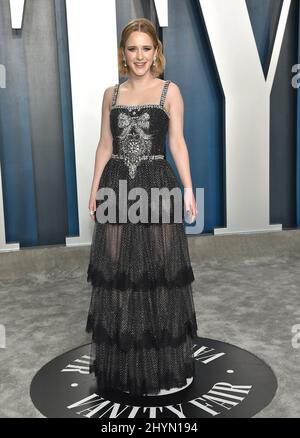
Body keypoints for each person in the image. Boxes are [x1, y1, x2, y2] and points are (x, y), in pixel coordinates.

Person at [85, 18, 198, 397]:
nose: (139, 56)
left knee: (161, 270)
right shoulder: (111, 95)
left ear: (156, 52)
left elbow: (177, 143)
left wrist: (187, 189)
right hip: (116, 186)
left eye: (146, 48)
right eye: (132, 48)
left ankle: (162, 366)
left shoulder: (170, 91)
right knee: (118, 272)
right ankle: (126, 368)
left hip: (157, 186)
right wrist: (94, 189)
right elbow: (104, 145)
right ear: (124, 53)